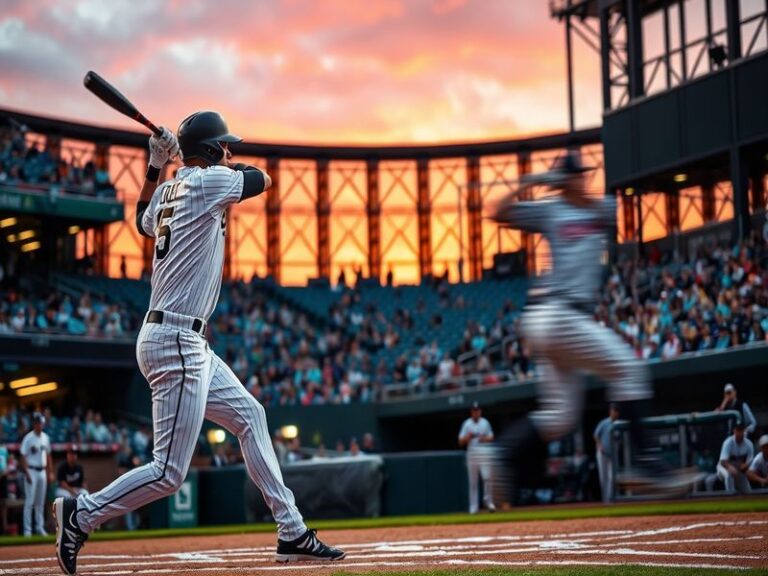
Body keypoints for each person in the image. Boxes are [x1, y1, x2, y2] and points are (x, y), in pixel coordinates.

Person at [53, 113, 344, 575]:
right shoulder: (208, 182)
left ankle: (292, 531)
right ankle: (81, 513)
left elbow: (142, 221)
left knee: (251, 416)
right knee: (169, 473)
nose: (230, 154)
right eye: (224, 148)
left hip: (184, 340)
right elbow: (261, 178)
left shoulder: (173, 188)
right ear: (210, 154)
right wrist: (189, 162)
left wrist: (155, 165)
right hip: (176, 341)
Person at [489, 149, 700, 499]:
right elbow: (495, 212)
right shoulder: (549, 210)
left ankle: (502, 452)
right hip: (555, 313)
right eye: (577, 174)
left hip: (560, 321)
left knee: (560, 418)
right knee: (630, 370)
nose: (583, 177)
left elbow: (600, 206)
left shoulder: (599, 207)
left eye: (582, 173)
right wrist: (533, 183)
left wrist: (563, 185)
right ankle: (647, 461)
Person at [458, 402, 495, 514]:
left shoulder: (485, 422)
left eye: (477, 410)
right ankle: (473, 508)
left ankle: (488, 501)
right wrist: (467, 438)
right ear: (471, 412)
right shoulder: (467, 424)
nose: (476, 412)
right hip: (472, 453)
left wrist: (484, 439)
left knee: (487, 477)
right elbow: (460, 442)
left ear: (480, 411)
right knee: (473, 482)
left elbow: (492, 437)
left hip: (484, 452)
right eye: (474, 410)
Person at [20, 412, 52, 536]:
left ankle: (39, 527)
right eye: (37, 423)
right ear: (34, 424)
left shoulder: (45, 437)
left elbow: (49, 455)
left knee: (40, 502)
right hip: (31, 470)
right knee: (29, 501)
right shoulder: (28, 438)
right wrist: (26, 472)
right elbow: (22, 456)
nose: (40, 425)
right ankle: (27, 530)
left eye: (41, 423)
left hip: (42, 471)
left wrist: (50, 472)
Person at [715, 422, 754, 494]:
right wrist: (730, 467)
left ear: (744, 431)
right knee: (729, 475)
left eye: (741, 430)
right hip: (723, 468)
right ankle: (730, 497)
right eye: (738, 430)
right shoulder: (728, 442)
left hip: (739, 470)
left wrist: (746, 465)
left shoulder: (749, 444)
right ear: (734, 431)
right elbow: (723, 461)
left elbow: (750, 459)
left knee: (748, 491)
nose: (740, 432)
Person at [593, 404, 619, 503]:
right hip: (602, 453)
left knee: (612, 477)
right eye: (613, 410)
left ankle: (611, 498)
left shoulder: (618, 424)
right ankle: (605, 500)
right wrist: (600, 446)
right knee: (603, 477)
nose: (614, 413)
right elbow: (595, 435)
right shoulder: (604, 423)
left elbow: (619, 439)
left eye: (616, 411)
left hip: (612, 454)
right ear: (610, 411)